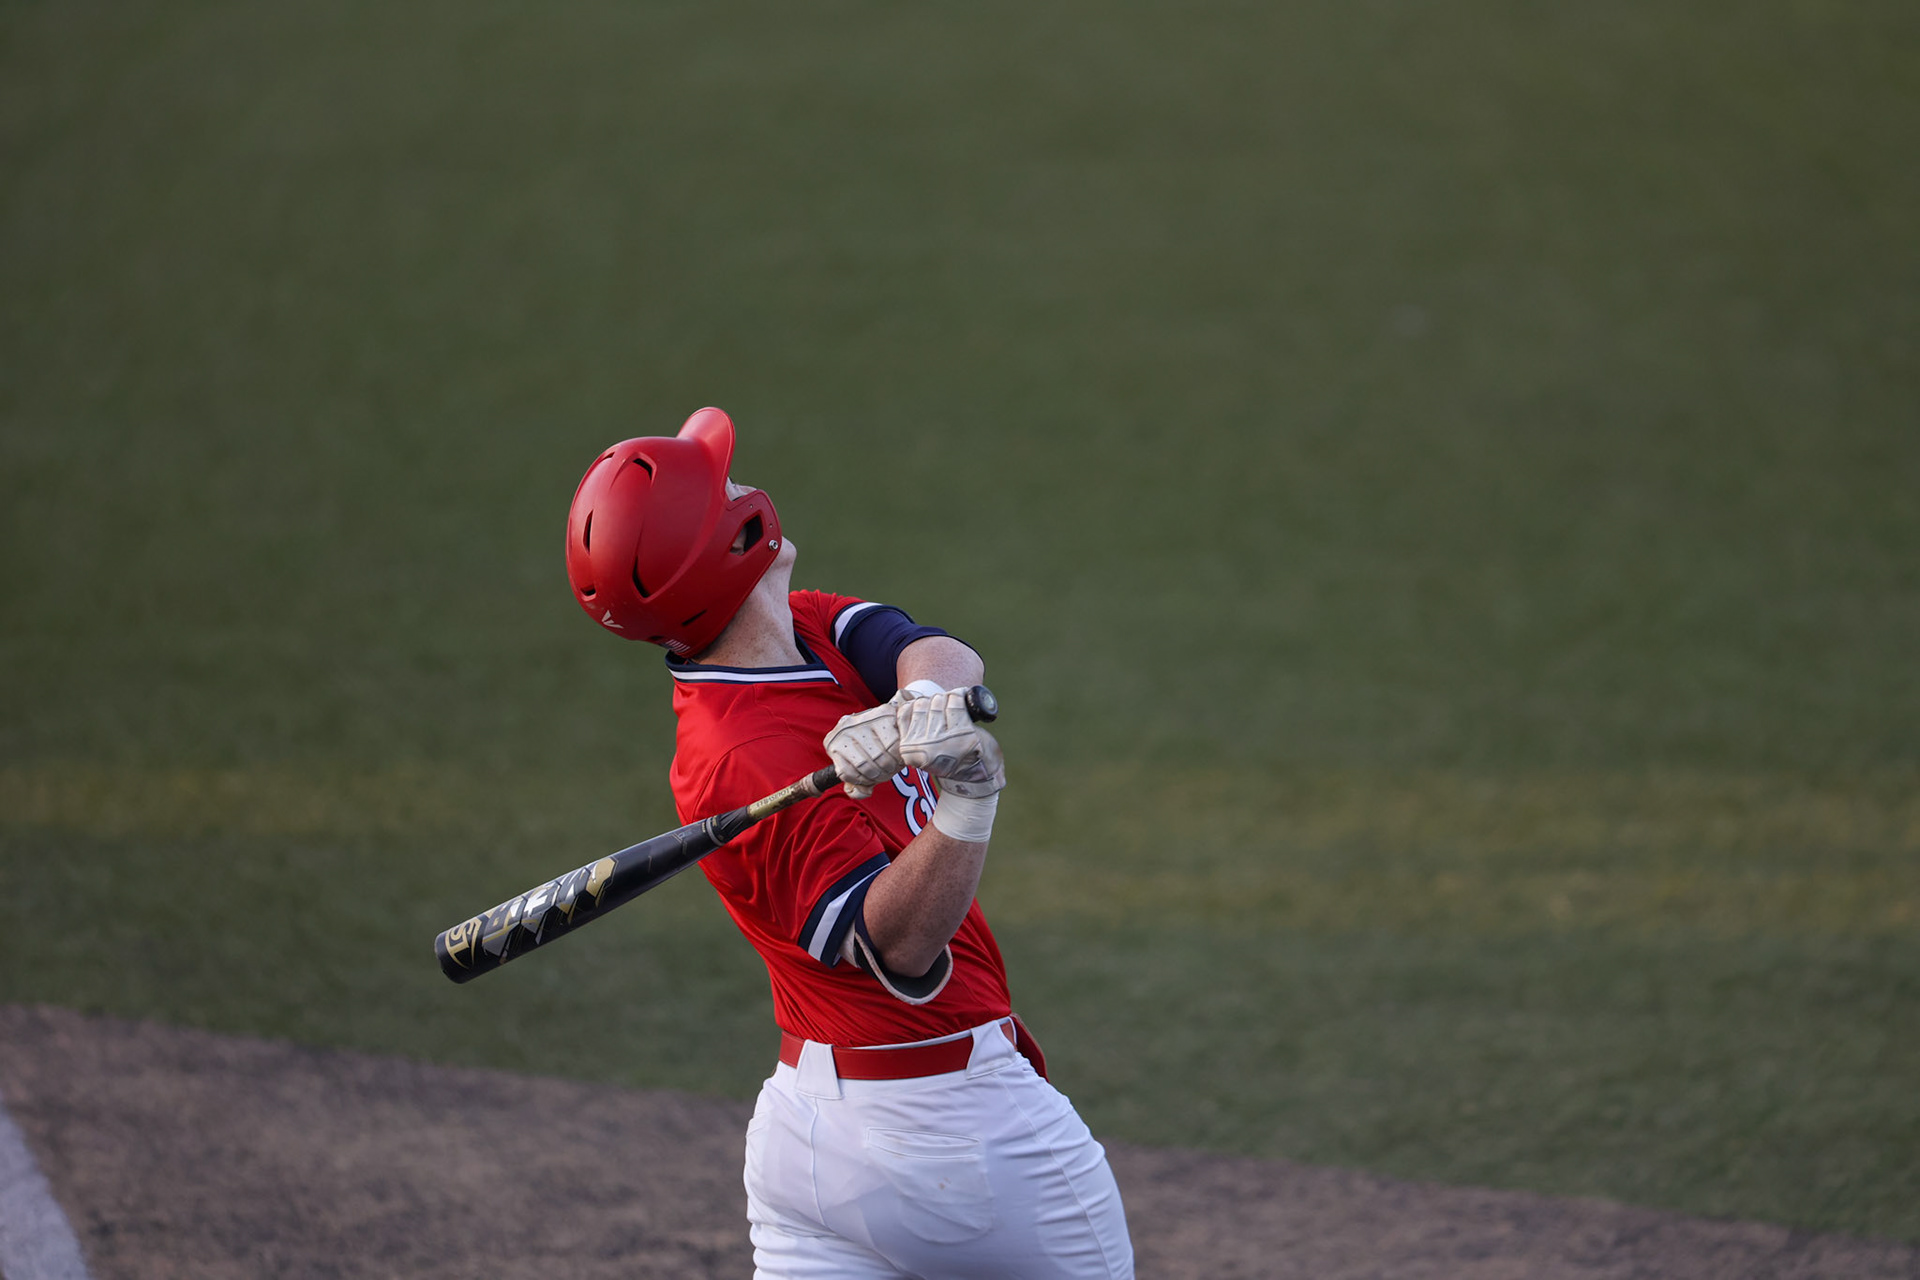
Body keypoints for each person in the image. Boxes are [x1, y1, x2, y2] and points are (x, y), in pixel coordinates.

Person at [564, 408, 1134, 1279]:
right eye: (724, 487)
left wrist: (918, 708)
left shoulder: (799, 624)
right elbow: (898, 942)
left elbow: (934, 650)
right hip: (952, 1131)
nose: (745, 484)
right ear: (729, 542)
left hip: (809, 1136)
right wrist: (965, 798)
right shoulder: (737, 758)